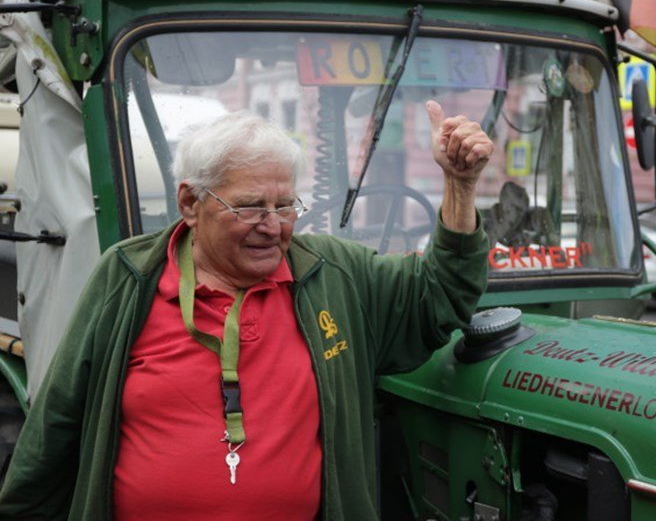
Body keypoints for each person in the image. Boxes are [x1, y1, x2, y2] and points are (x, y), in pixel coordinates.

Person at [0, 100, 493, 520]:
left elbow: (439, 296)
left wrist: (460, 185)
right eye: (251, 206)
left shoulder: (333, 274)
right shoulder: (128, 277)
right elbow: (57, 424)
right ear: (190, 203)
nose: (273, 226)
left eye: (285, 206)